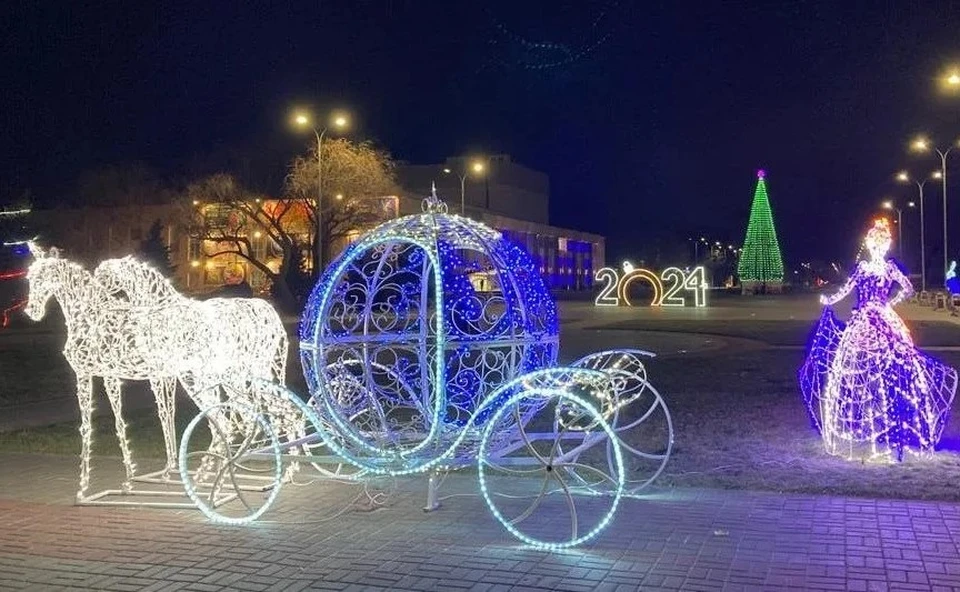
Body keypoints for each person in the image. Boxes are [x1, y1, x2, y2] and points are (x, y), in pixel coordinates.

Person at [799, 218, 957, 461]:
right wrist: (829, 300)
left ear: (886, 245)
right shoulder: (864, 268)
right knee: (857, 369)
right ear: (870, 243)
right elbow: (847, 289)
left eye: (882, 243)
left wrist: (888, 305)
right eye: (875, 242)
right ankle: (863, 419)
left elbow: (907, 289)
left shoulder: (889, 268)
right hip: (864, 323)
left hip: (881, 320)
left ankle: (896, 420)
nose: (878, 246)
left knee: (896, 366)